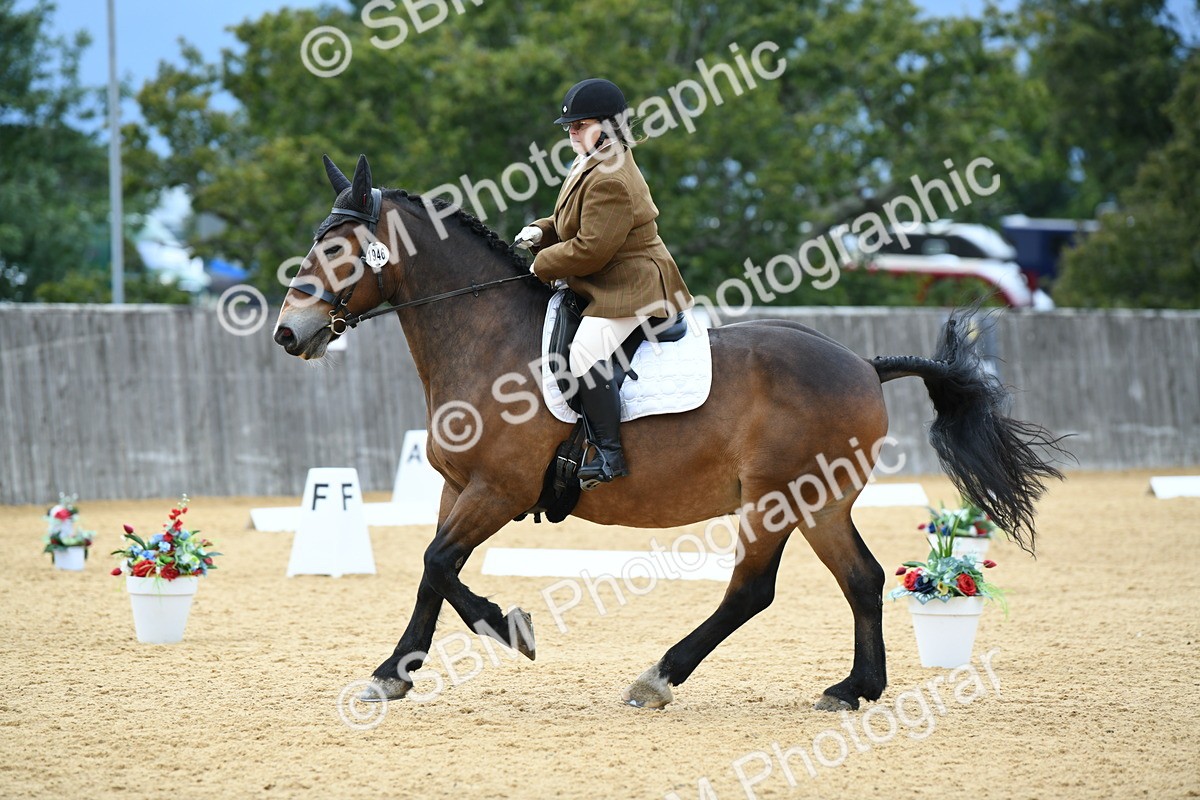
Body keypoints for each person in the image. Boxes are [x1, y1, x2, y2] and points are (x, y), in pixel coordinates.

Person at [515, 78, 694, 489]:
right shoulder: (590, 161)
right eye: (570, 127)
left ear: (608, 125)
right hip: (609, 278)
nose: (572, 133)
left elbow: (591, 249)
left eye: (580, 125)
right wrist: (541, 231)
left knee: (583, 354)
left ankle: (610, 455)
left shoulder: (610, 177)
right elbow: (570, 221)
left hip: (633, 285)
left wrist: (541, 263)